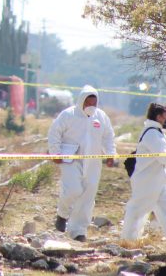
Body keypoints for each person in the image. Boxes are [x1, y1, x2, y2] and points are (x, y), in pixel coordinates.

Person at [47, 84, 116, 242]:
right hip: (71, 158)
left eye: (94, 103)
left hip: (93, 161)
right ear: (81, 101)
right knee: (73, 190)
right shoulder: (68, 115)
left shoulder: (101, 117)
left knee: (88, 195)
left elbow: (108, 137)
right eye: (88, 102)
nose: (91, 106)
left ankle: (78, 231)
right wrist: (55, 152)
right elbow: (54, 132)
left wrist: (111, 155)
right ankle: (62, 215)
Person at [120, 103, 166, 244]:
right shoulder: (152, 133)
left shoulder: (156, 131)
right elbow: (163, 155)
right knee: (138, 209)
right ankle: (128, 239)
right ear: (158, 117)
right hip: (146, 180)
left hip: (159, 179)